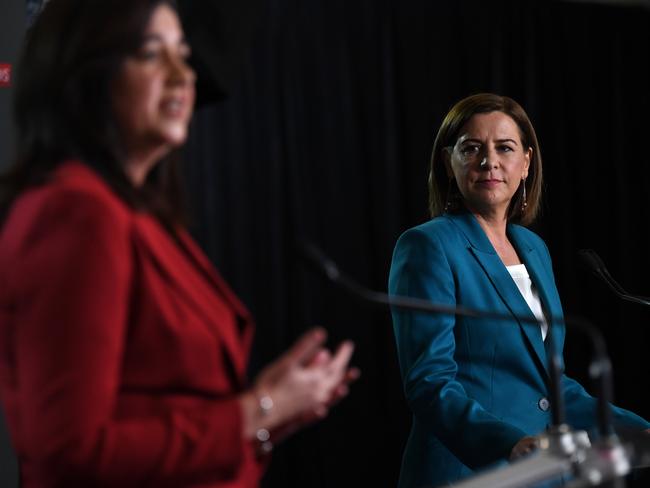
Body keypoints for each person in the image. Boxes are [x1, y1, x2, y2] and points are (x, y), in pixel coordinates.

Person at [0, 1, 357, 486]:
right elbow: (69, 450)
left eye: (183, 54)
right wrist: (256, 411)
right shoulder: (75, 212)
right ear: (84, 74)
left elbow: (168, 413)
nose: (181, 75)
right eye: (151, 54)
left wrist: (271, 416)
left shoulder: (137, 215)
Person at [388, 93, 650, 488]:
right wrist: (509, 443)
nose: (488, 161)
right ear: (449, 162)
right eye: (471, 148)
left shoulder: (533, 249)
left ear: (526, 163)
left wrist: (637, 431)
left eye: (504, 148)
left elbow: (550, 387)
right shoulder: (429, 246)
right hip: (468, 472)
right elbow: (430, 382)